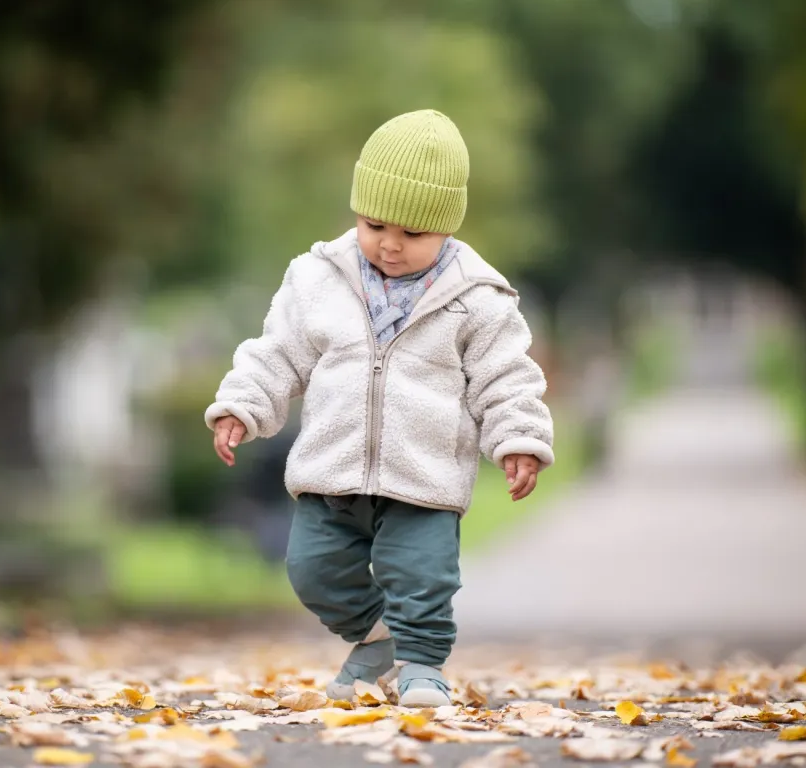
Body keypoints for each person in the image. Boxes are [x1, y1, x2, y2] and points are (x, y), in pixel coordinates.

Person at [205, 109, 555, 707]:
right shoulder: (316, 278)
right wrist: (242, 403)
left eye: (413, 235)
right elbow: (278, 353)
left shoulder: (477, 299)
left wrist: (518, 437)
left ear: (447, 228)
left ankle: (421, 666)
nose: (390, 244)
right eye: (375, 225)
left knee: (420, 578)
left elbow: (505, 378)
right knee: (312, 570)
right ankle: (378, 643)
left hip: (424, 474)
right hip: (332, 469)